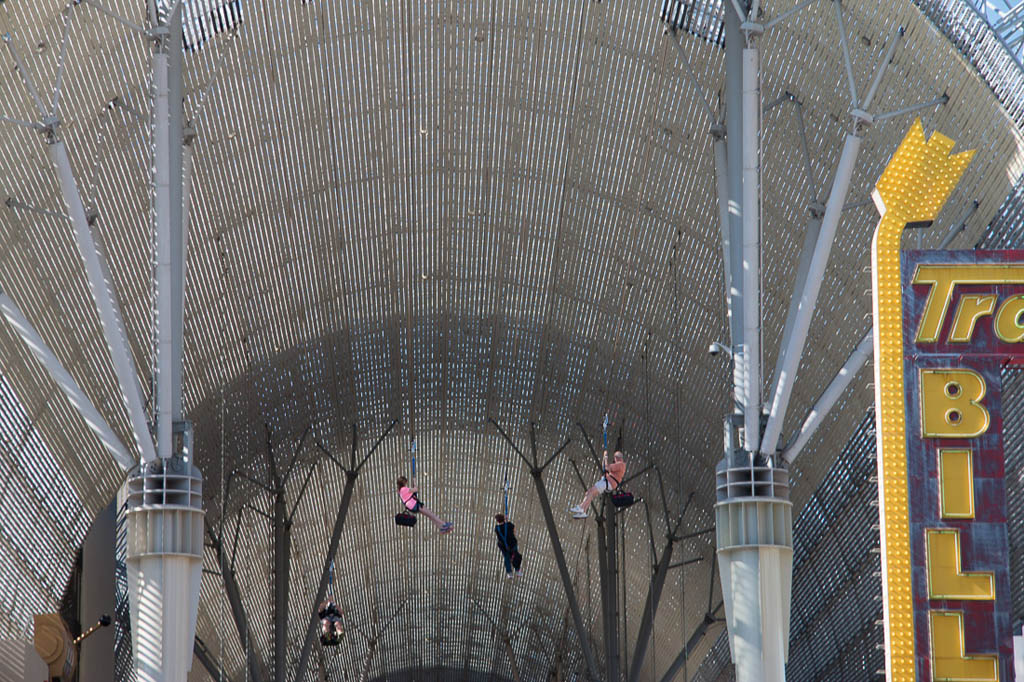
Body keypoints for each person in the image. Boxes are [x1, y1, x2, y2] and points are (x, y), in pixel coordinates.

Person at [569, 437, 626, 519]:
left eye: (615, 458)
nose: (615, 459)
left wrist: (606, 458)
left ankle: (581, 507)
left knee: (591, 492)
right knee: (589, 493)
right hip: (608, 482)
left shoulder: (620, 464)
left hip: (608, 482)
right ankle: (583, 511)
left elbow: (607, 467)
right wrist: (604, 458)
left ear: (618, 458)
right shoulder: (620, 466)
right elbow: (605, 467)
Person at [494, 513, 523, 578]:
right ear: (503, 519)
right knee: (515, 555)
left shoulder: (497, 528)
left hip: (504, 546)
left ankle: (509, 572)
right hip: (512, 544)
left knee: (507, 557)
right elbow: (513, 530)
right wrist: (506, 521)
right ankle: (518, 570)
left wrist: (505, 521)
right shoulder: (509, 525)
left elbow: (500, 532)